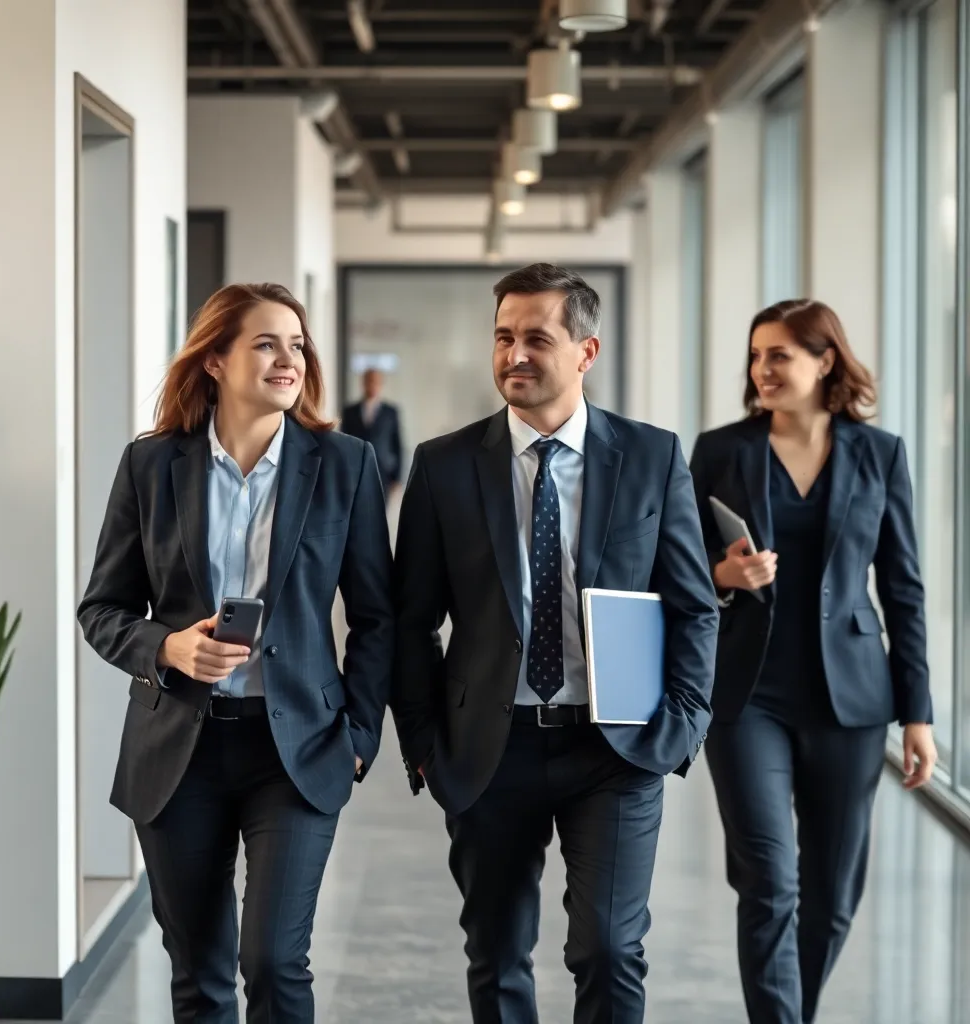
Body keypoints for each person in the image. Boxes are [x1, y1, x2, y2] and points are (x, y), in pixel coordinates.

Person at [392, 263, 719, 1023]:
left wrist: (682, 720)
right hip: (488, 746)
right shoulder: (443, 466)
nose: (515, 355)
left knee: (609, 948)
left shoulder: (651, 457)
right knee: (497, 952)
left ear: (586, 351)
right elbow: (411, 621)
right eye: (503, 337)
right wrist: (424, 744)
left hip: (617, 744)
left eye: (537, 339)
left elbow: (694, 605)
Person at [77, 283, 393, 1023]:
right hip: (176, 751)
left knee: (275, 962)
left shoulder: (344, 463)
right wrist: (168, 646)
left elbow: (378, 618)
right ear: (215, 360)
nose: (290, 359)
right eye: (266, 343)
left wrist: (358, 737)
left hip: (299, 746)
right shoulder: (151, 465)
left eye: (297, 345)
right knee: (200, 974)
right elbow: (102, 609)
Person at [689, 299, 937, 1024]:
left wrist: (918, 713)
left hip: (850, 702)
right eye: (756, 355)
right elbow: (673, 565)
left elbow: (904, 588)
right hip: (746, 698)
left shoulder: (879, 453)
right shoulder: (720, 450)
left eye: (780, 355)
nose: (762, 369)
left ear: (826, 361)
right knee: (768, 882)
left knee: (831, 896)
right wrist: (721, 576)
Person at [340, 368, 404, 492]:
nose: (373, 385)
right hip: (355, 470)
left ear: (381, 384)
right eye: (370, 381)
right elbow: (343, 443)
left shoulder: (390, 412)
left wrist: (397, 477)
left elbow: (397, 444)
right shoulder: (349, 412)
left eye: (376, 382)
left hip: (384, 472)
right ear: (363, 383)